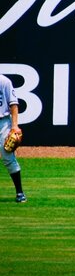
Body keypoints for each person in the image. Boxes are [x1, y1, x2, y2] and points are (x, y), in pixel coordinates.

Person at [0, 74, 26, 203]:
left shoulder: (3, 81)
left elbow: (14, 105)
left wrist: (15, 126)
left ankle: (20, 192)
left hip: (3, 122)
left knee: (8, 157)